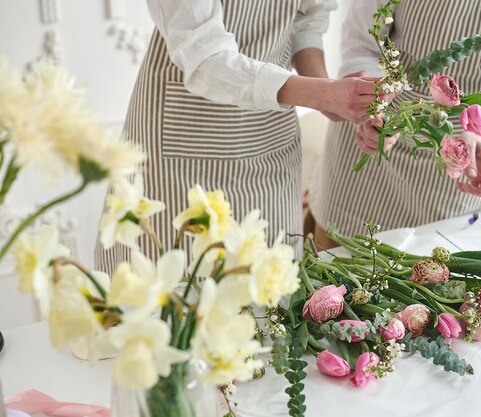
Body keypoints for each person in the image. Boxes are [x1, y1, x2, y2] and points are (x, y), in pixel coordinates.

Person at [94, 0, 391, 271]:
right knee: (174, 299)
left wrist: (335, 97)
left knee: (270, 299)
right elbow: (205, 58)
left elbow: (305, 22)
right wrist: (322, 94)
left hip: (270, 140)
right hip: (183, 149)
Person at [308, 0, 481, 247]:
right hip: (364, 153)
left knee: (433, 293)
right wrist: (374, 107)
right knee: (333, 286)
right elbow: (362, 44)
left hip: (455, 174)